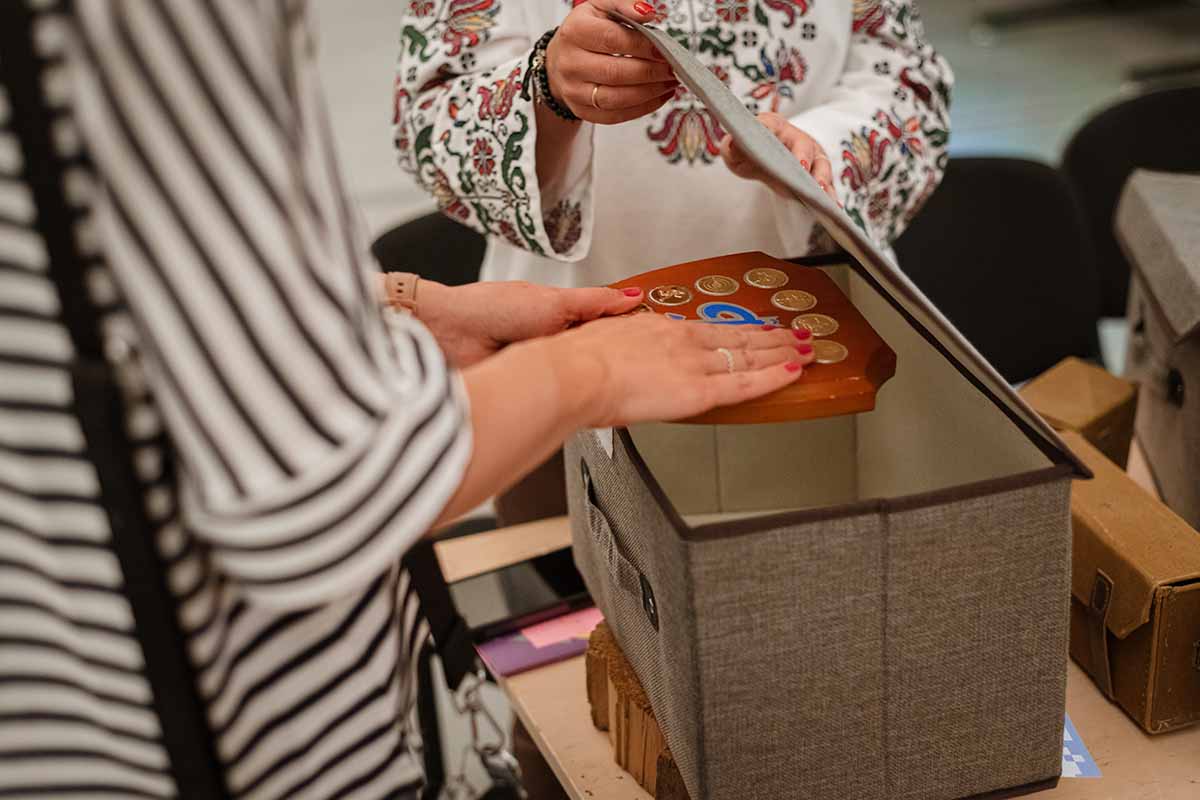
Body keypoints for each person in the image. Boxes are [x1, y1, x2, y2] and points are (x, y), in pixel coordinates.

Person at [0, 2, 816, 799]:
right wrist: (586, 372)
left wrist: (406, 310)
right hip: (215, 724)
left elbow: (151, 293)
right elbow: (318, 487)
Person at [393, 0, 953, 288]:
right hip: (573, 342)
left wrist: (819, 150)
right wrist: (547, 88)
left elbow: (907, 87)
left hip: (817, 326)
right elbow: (428, 120)